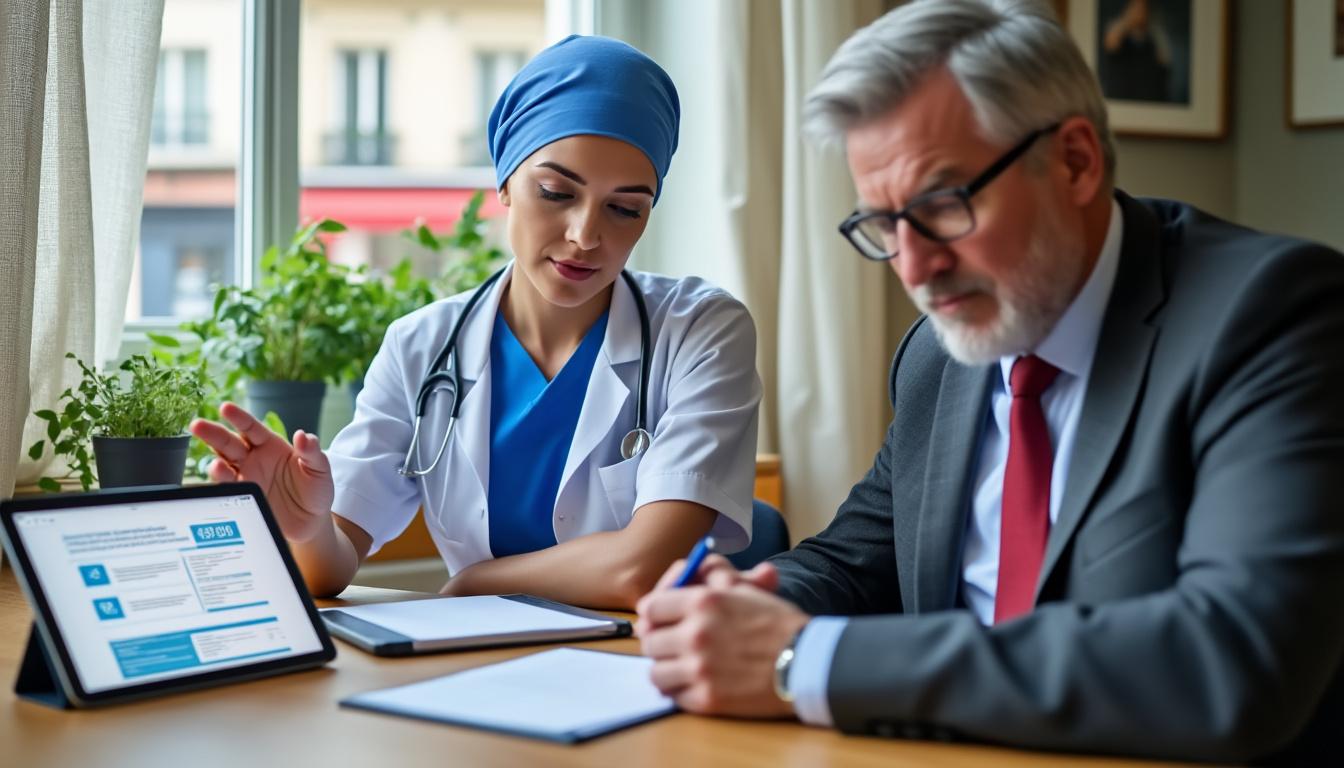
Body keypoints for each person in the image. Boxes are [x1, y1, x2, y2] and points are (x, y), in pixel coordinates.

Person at [636, 0, 1344, 762]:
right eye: (882, 224)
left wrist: (801, 663)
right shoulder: (940, 356)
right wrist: (754, 603)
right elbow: (854, 562)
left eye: (941, 205)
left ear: (1075, 161)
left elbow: (1233, 659)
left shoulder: (1274, 314)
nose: (913, 268)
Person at [191, 35, 761, 610]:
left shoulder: (700, 331)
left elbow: (645, 567)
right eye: (556, 192)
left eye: (625, 208)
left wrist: (474, 582)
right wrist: (307, 527)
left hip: (642, 662)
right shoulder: (420, 345)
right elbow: (329, 569)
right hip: (481, 662)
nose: (586, 236)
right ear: (506, 182)